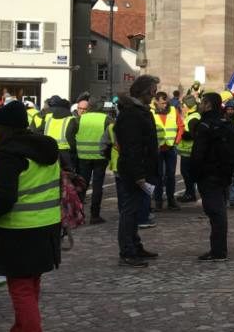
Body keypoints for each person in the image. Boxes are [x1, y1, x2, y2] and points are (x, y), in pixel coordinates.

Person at [0, 100, 61, 332]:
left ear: (5, 129)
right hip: (45, 227)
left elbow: (5, 198)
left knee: (21, 290)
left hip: (17, 230)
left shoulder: (9, 156)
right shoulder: (45, 150)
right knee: (30, 287)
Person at [113, 75, 162, 267]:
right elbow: (132, 147)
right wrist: (139, 175)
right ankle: (127, 251)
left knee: (136, 211)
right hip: (133, 171)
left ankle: (135, 245)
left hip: (141, 169)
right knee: (130, 212)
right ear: (145, 91)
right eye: (153, 91)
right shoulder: (132, 114)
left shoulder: (140, 111)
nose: (154, 94)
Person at [190, 93, 234, 261]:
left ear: (208, 104)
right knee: (219, 212)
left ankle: (218, 251)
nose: (200, 105)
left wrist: (194, 174)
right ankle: (218, 249)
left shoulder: (205, 124)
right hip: (224, 173)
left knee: (216, 213)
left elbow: (198, 153)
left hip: (209, 174)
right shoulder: (225, 121)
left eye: (202, 102)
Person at [68, 98, 113, 223]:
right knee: (97, 186)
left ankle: (78, 215)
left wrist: (76, 148)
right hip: (100, 157)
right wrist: (108, 152)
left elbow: (69, 135)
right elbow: (112, 135)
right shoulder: (106, 119)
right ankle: (95, 215)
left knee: (82, 185)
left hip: (83, 156)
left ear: (89, 107)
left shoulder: (79, 119)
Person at [151, 91, 184, 211]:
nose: (165, 105)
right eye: (162, 103)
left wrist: (177, 141)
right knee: (158, 176)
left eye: (166, 103)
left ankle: (171, 200)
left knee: (170, 175)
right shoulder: (151, 113)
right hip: (157, 149)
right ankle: (158, 201)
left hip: (171, 148)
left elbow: (181, 126)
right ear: (156, 102)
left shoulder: (173, 110)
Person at [175, 96, 201, 203]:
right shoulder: (193, 115)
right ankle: (189, 193)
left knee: (187, 174)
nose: (182, 107)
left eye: (183, 105)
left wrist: (183, 134)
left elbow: (194, 135)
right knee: (188, 174)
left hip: (189, 151)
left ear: (187, 106)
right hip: (188, 151)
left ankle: (190, 194)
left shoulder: (193, 118)